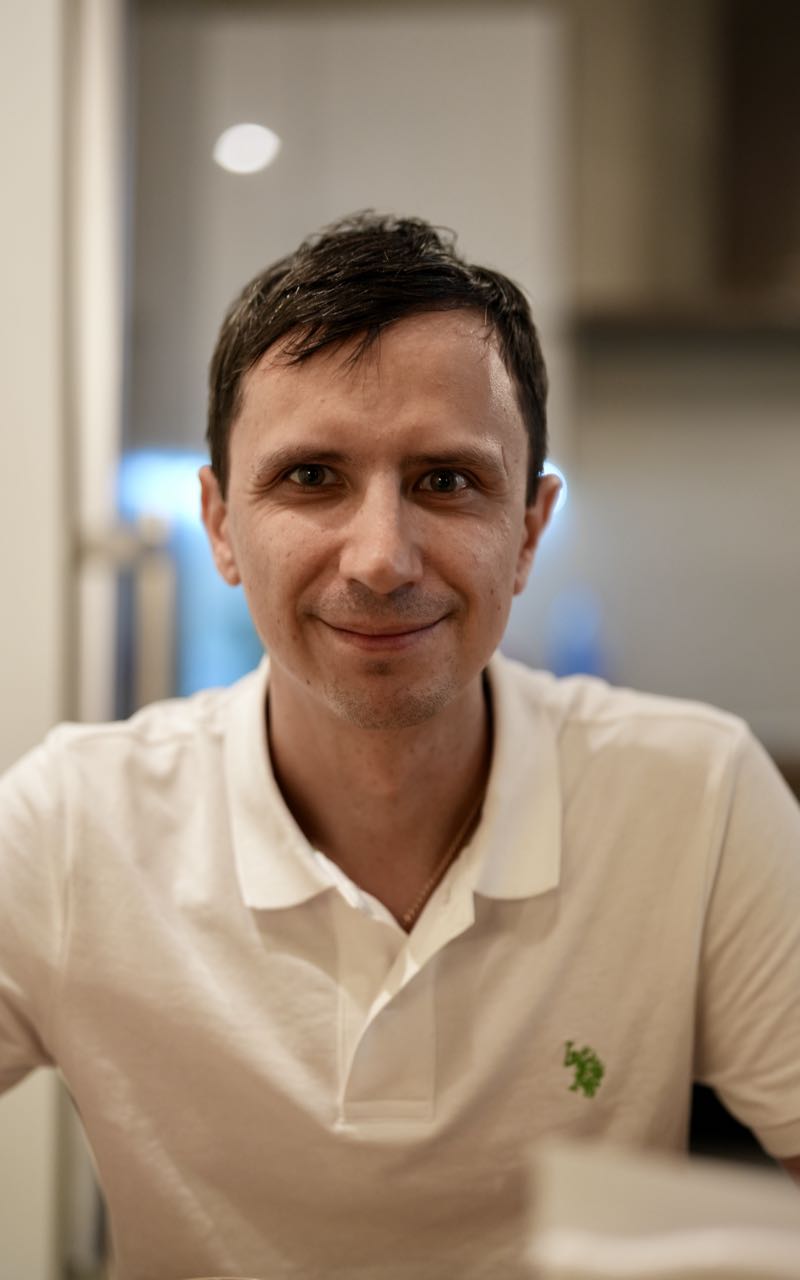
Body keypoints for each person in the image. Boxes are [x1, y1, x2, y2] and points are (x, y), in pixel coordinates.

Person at [2, 212, 799, 1279]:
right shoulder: (71, 825)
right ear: (221, 525)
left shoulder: (694, 799)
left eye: (445, 480)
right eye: (310, 477)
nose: (381, 558)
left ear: (527, 530)